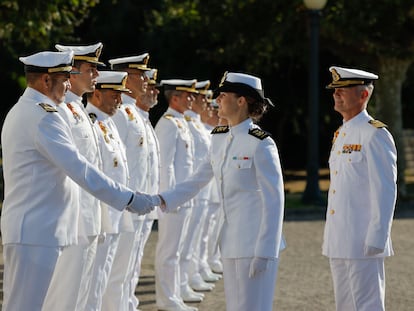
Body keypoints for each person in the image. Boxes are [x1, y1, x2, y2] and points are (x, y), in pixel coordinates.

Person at [0, 51, 159, 311]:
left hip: (40, 228)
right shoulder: (42, 116)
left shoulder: (34, 111)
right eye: (65, 77)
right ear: (46, 81)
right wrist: (128, 198)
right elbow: (80, 168)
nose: (69, 84)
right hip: (35, 230)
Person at [158, 71, 286, 311]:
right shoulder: (219, 137)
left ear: (242, 101)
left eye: (223, 95)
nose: (217, 100)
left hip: (255, 245)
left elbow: (275, 200)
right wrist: (162, 199)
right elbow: (197, 179)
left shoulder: (261, 143)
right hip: (230, 242)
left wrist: (266, 251)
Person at [323, 66, 398, 311]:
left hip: (363, 239)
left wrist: (378, 236)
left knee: (368, 305)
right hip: (340, 237)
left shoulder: (374, 134)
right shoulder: (341, 133)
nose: (336, 95)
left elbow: (385, 189)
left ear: (364, 95)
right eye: (335, 90)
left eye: (343, 90)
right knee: (344, 305)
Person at [54, 42, 105, 310]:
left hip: (89, 216)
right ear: (72, 71)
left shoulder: (80, 110)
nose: (96, 74)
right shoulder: (62, 111)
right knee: (65, 296)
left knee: (82, 293)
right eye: (91, 68)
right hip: (73, 220)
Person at [109, 54, 160, 311]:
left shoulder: (136, 113)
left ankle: (128, 304)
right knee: (119, 269)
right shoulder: (121, 113)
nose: (146, 79)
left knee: (132, 264)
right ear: (125, 77)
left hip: (142, 202)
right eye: (140, 74)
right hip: (127, 203)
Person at [154, 79, 199, 311]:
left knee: (178, 249)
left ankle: (175, 293)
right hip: (173, 199)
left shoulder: (180, 122)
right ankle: (166, 299)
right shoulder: (169, 123)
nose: (192, 99)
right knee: (169, 251)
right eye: (187, 95)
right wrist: (169, 198)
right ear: (174, 98)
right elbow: (165, 165)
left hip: (183, 197)